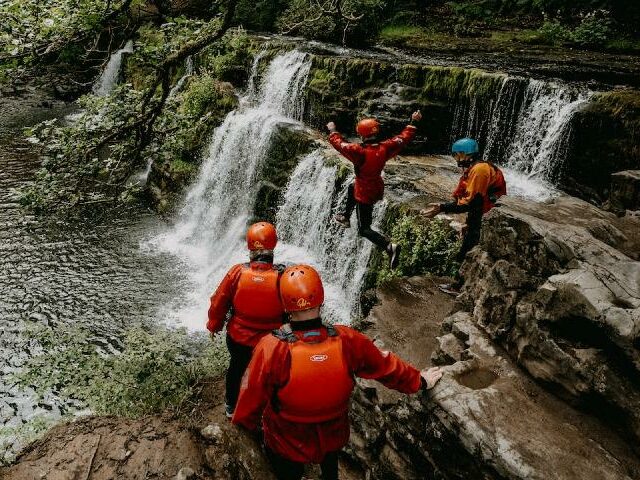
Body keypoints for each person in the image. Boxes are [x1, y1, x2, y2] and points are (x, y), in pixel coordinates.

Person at [232, 264, 443, 480]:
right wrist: (420, 380)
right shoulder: (347, 340)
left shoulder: (271, 347)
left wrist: (244, 425)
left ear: (285, 305)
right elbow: (385, 364)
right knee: (330, 468)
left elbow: (250, 393)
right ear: (321, 300)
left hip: (287, 441)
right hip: (332, 436)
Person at [207, 222, 286, 418]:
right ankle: (266, 408)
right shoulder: (283, 277)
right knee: (268, 374)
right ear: (273, 245)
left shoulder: (237, 272)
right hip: (271, 342)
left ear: (250, 247)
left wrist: (214, 325)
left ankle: (231, 406)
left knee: (236, 368)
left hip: (238, 338)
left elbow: (219, 301)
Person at [327, 111, 422, 269]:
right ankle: (345, 216)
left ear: (362, 135)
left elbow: (340, 145)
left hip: (364, 191)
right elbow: (403, 138)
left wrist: (332, 131)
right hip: (376, 186)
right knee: (351, 186)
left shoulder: (359, 152)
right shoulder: (385, 147)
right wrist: (413, 121)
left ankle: (389, 246)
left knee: (364, 229)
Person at [423, 138, 506, 294]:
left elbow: (470, 203)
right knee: (467, 249)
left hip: (487, 216)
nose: (455, 158)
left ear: (465, 155)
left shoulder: (480, 170)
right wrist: (468, 222)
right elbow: (473, 200)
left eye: (457, 155)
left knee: (468, 251)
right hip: (481, 213)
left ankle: (459, 287)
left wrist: (442, 208)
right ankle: (462, 284)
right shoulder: (474, 168)